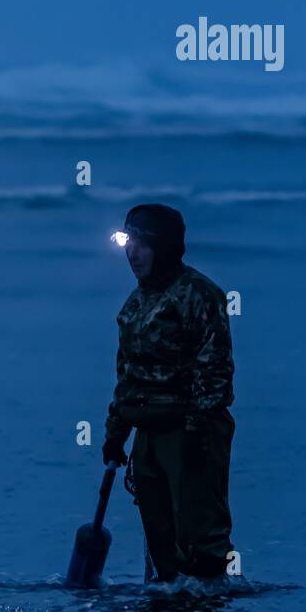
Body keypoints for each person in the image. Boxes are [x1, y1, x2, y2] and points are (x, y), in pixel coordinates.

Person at [103, 204, 235, 582]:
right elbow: (126, 374)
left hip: (191, 431)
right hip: (148, 433)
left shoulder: (199, 295)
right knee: (161, 542)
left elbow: (215, 370)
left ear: (166, 247)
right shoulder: (134, 304)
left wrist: (197, 432)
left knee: (199, 540)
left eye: (144, 244)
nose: (133, 253)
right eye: (129, 242)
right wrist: (116, 433)